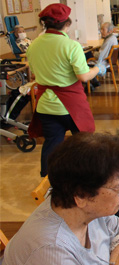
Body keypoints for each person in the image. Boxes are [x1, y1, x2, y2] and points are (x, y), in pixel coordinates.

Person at [1, 132, 119, 265]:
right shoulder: (50, 250)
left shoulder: (88, 210)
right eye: (118, 186)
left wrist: (114, 264)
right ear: (81, 196)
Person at [27, 3, 100, 177]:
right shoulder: (71, 46)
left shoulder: (33, 46)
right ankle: (85, 177)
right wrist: (97, 69)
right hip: (70, 105)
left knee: (52, 143)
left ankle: (47, 180)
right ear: (67, 24)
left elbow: (35, 74)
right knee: (84, 144)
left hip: (45, 103)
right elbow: (82, 76)